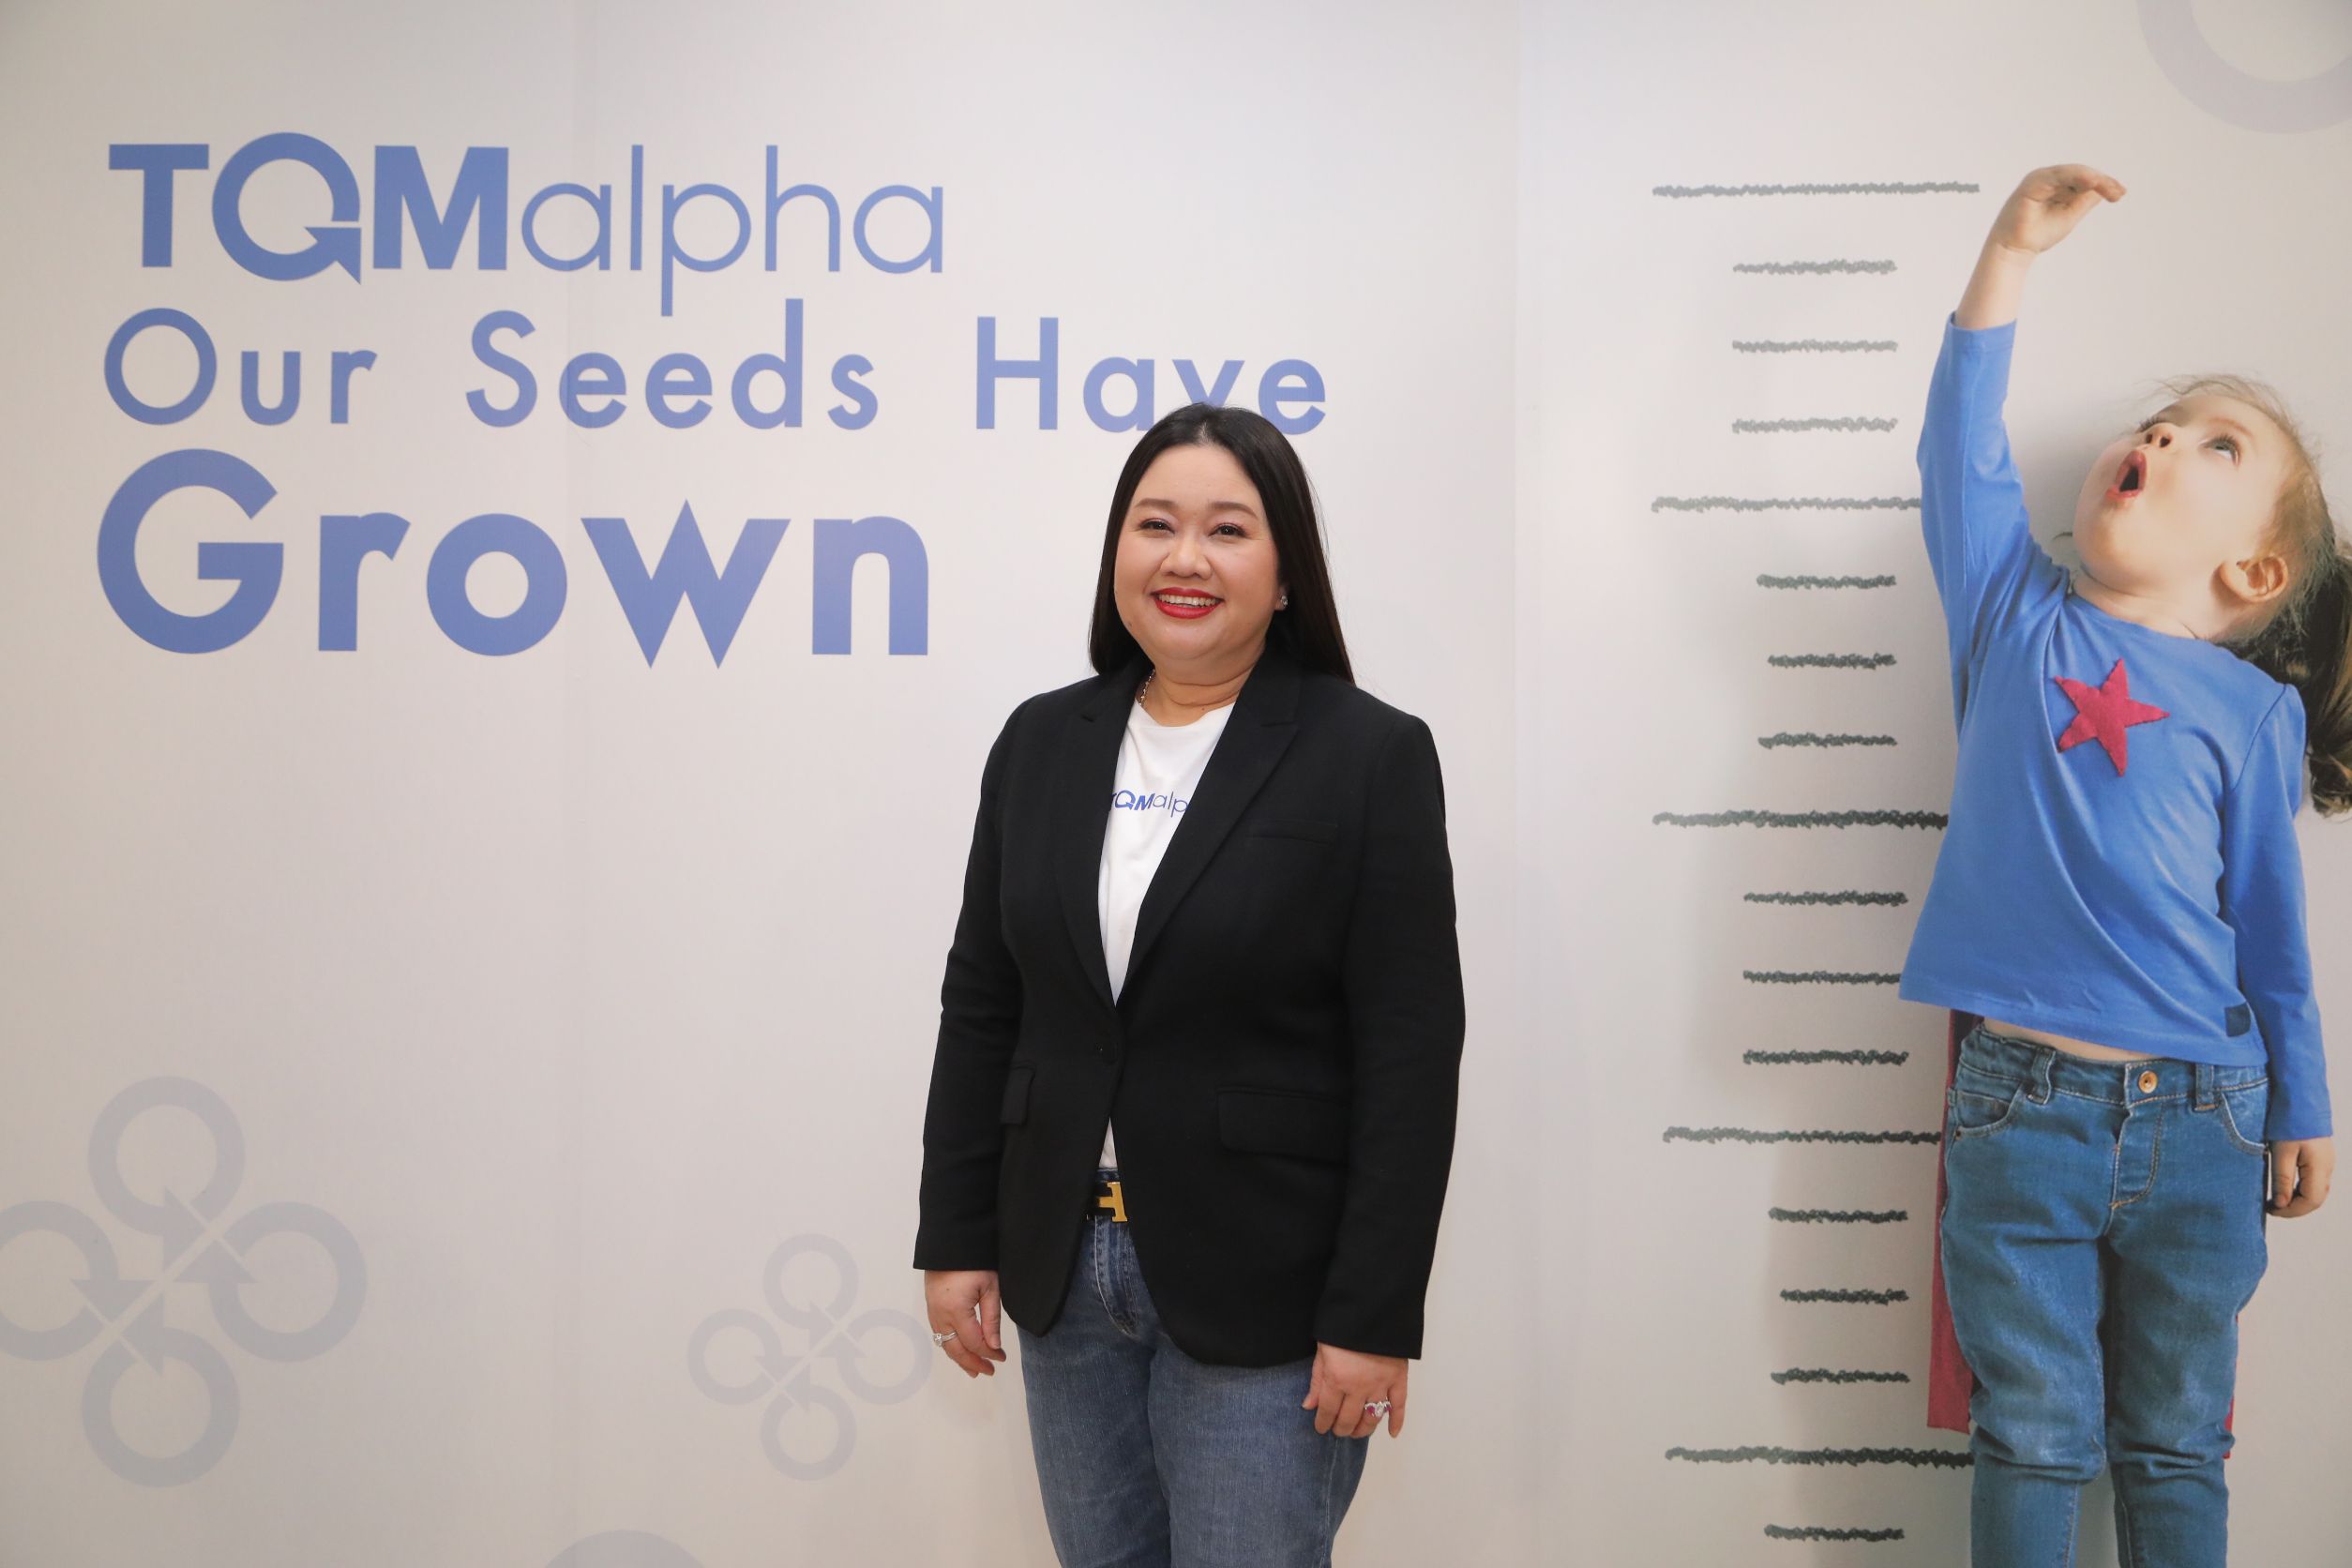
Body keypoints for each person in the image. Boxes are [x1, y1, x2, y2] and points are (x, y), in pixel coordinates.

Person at [912, 401, 1465, 1567]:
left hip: (1266, 1287)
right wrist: (955, 1233)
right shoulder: (1040, 743)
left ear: (1286, 571)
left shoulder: (1368, 755)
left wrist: (1373, 1314)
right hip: (1065, 1271)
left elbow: (1411, 1055)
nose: (1185, 558)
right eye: (1155, 524)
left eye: (1228, 529)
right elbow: (985, 1004)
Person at [1905, 165, 2349, 1565]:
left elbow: (2270, 930)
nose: (2159, 435)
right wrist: (2009, 254)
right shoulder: (2013, 615)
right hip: (2019, 1106)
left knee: (2175, 1441)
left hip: (2208, 1115)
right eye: (2160, 422)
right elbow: (1960, 450)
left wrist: (2304, 1101)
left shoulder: (2253, 713)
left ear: (2255, 575)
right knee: (2032, 1432)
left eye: (2215, 444)